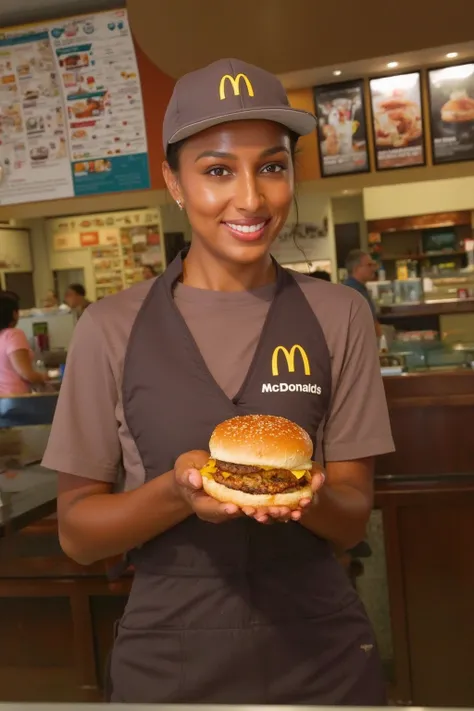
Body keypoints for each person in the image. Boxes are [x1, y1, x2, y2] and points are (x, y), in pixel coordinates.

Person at [43, 58, 394, 705]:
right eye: (216, 170)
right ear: (174, 182)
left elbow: (351, 519)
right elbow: (78, 534)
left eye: (272, 165)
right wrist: (182, 490)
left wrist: (304, 497)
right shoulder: (108, 326)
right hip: (169, 656)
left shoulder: (339, 313)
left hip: (322, 654)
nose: (252, 198)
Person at [0, 292, 48, 395]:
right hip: (16, 400)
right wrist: (43, 377)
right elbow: (26, 373)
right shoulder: (13, 334)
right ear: (14, 314)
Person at [343, 249, 382, 337]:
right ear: (356, 268)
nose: (374, 268)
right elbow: (370, 323)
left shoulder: (358, 288)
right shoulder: (354, 292)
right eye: (369, 265)